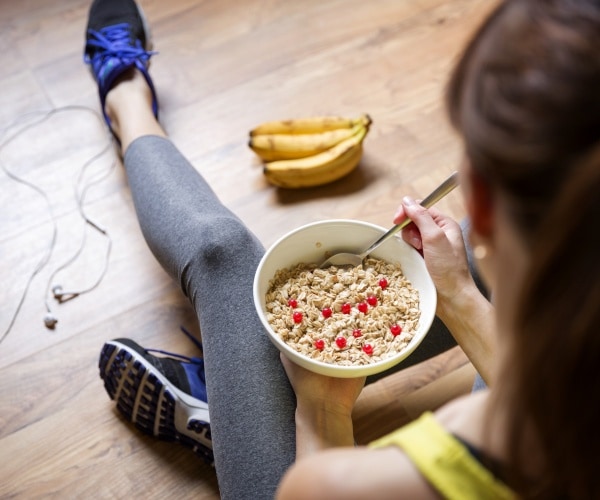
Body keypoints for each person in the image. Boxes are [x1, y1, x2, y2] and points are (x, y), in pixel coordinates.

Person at [86, 0, 600, 497]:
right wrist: (459, 293)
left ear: (480, 201)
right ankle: (234, 399)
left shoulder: (358, 486)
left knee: (223, 254)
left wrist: (321, 406)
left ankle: (126, 97)